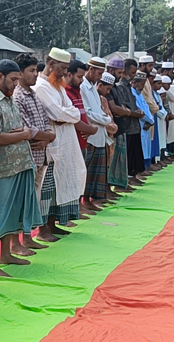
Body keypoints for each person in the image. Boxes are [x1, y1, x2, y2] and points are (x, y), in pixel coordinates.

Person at [0, 59, 43, 277]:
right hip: (2, 168)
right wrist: (24, 134)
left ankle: (5, 253)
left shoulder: (8, 99)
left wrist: (21, 133)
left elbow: (15, 129)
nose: (16, 84)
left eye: (17, 79)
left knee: (12, 213)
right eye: (13, 79)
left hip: (19, 165)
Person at [34, 51, 89, 237]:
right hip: (52, 145)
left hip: (66, 142)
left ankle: (52, 224)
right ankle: (42, 229)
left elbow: (73, 112)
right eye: (63, 68)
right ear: (51, 64)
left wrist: (67, 116)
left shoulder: (58, 87)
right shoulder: (41, 86)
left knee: (59, 187)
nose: (65, 73)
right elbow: (56, 114)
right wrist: (67, 116)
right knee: (47, 188)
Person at [12, 53, 57, 242]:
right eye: (31, 71)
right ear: (20, 73)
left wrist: (47, 138)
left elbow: (45, 125)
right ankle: (21, 240)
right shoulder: (18, 96)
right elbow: (28, 129)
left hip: (41, 154)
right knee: (24, 200)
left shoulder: (34, 95)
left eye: (37, 70)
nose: (36, 75)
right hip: (28, 156)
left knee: (34, 198)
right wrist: (48, 136)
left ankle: (29, 236)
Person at [61, 59, 98, 220]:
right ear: (69, 74)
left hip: (83, 141)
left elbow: (81, 113)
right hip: (72, 142)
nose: (81, 80)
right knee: (69, 179)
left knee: (79, 177)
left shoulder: (77, 91)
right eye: (79, 76)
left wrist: (88, 129)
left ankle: (77, 207)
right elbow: (72, 118)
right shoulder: (65, 92)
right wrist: (90, 129)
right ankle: (69, 212)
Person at [80, 58, 115, 209]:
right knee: (85, 171)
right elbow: (87, 113)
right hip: (89, 133)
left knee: (94, 171)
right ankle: (82, 202)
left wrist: (104, 119)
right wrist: (105, 120)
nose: (99, 77)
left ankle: (89, 200)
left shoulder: (93, 87)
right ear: (90, 69)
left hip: (99, 133)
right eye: (98, 73)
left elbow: (97, 109)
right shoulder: (82, 86)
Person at [105, 57, 133, 192]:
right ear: (111, 70)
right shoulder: (107, 87)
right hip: (112, 129)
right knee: (111, 161)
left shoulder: (115, 87)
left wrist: (124, 111)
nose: (121, 76)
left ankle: (117, 186)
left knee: (118, 159)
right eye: (120, 73)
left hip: (120, 127)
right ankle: (110, 189)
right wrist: (127, 112)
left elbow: (120, 106)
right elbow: (114, 109)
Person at [119, 59, 147, 183]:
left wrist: (138, 111)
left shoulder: (128, 86)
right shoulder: (120, 86)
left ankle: (134, 176)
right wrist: (135, 112)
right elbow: (123, 105)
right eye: (132, 72)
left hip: (134, 124)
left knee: (135, 152)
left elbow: (132, 103)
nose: (134, 75)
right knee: (129, 154)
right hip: (127, 125)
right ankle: (128, 178)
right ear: (124, 71)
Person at [131, 72, 154, 171]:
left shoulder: (139, 94)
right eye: (141, 84)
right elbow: (139, 110)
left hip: (146, 124)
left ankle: (145, 168)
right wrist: (150, 120)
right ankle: (140, 171)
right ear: (134, 82)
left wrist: (151, 121)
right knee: (140, 149)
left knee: (146, 147)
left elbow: (146, 108)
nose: (143, 86)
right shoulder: (132, 93)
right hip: (139, 124)